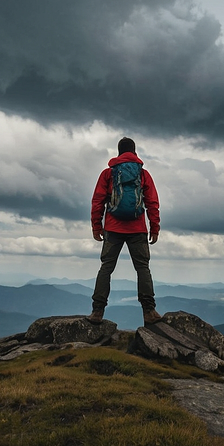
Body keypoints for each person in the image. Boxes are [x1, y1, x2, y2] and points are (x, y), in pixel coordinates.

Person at [87, 137, 162, 325]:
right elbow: (152, 202)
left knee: (106, 268)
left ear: (119, 152)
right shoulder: (143, 174)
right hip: (138, 229)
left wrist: (97, 226)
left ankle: (97, 312)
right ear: (135, 152)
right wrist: (154, 227)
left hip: (113, 228)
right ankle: (149, 312)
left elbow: (97, 201)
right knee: (143, 268)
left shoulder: (108, 174)